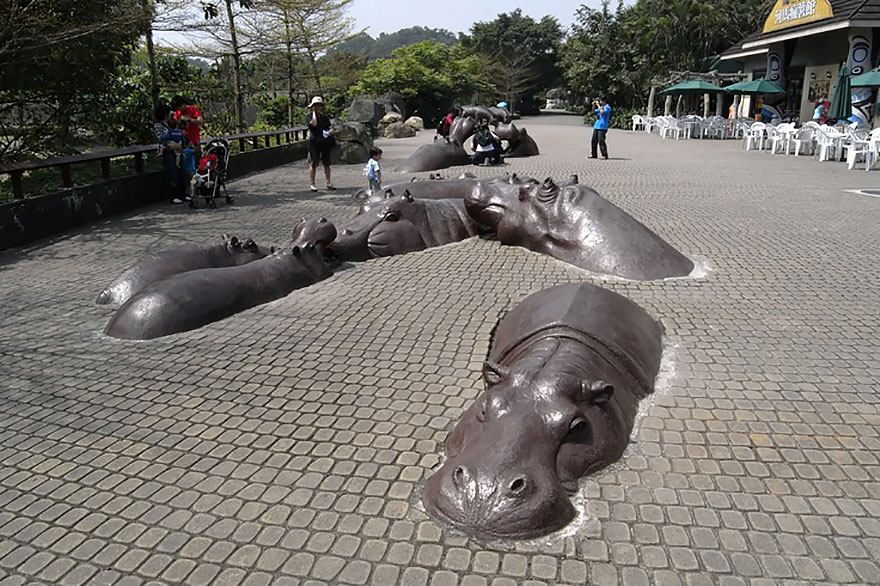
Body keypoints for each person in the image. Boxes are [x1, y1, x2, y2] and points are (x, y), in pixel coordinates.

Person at [154, 104, 190, 204]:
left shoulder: (172, 123)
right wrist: (172, 144)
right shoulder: (158, 125)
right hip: (168, 151)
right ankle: (173, 196)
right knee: (172, 173)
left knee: (183, 172)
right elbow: (162, 139)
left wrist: (180, 144)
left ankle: (183, 194)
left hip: (178, 150)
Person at [306, 96, 335, 192]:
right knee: (314, 163)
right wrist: (314, 113)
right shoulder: (309, 117)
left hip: (325, 142)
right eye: (316, 105)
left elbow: (330, 127)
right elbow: (313, 124)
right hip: (314, 143)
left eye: (319, 105)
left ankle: (328, 182)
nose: (318, 107)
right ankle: (312, 183)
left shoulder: (324, 118)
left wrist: (330, 131)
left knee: (327, 163)